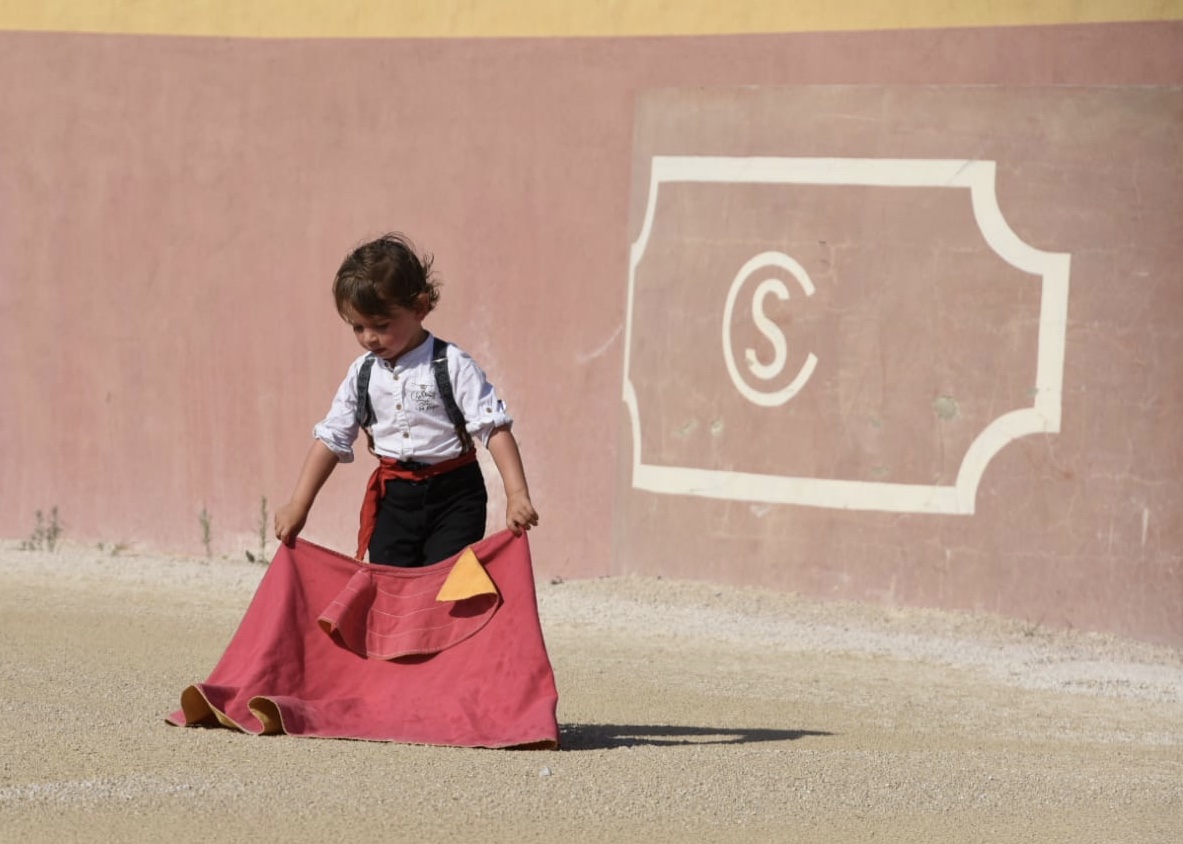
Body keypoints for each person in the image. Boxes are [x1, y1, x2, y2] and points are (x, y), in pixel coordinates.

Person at [274, 233, 539, 566]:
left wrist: (517, 494)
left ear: (419, 308)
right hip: (394, 501)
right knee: (390, 584)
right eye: (358, 327)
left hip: (455, 497)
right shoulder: (362, 374)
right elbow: (331, 439)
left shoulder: (452, 364)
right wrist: (299, 504)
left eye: (381, 325)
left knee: (446, 580)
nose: (369, 338)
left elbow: (494, 429)